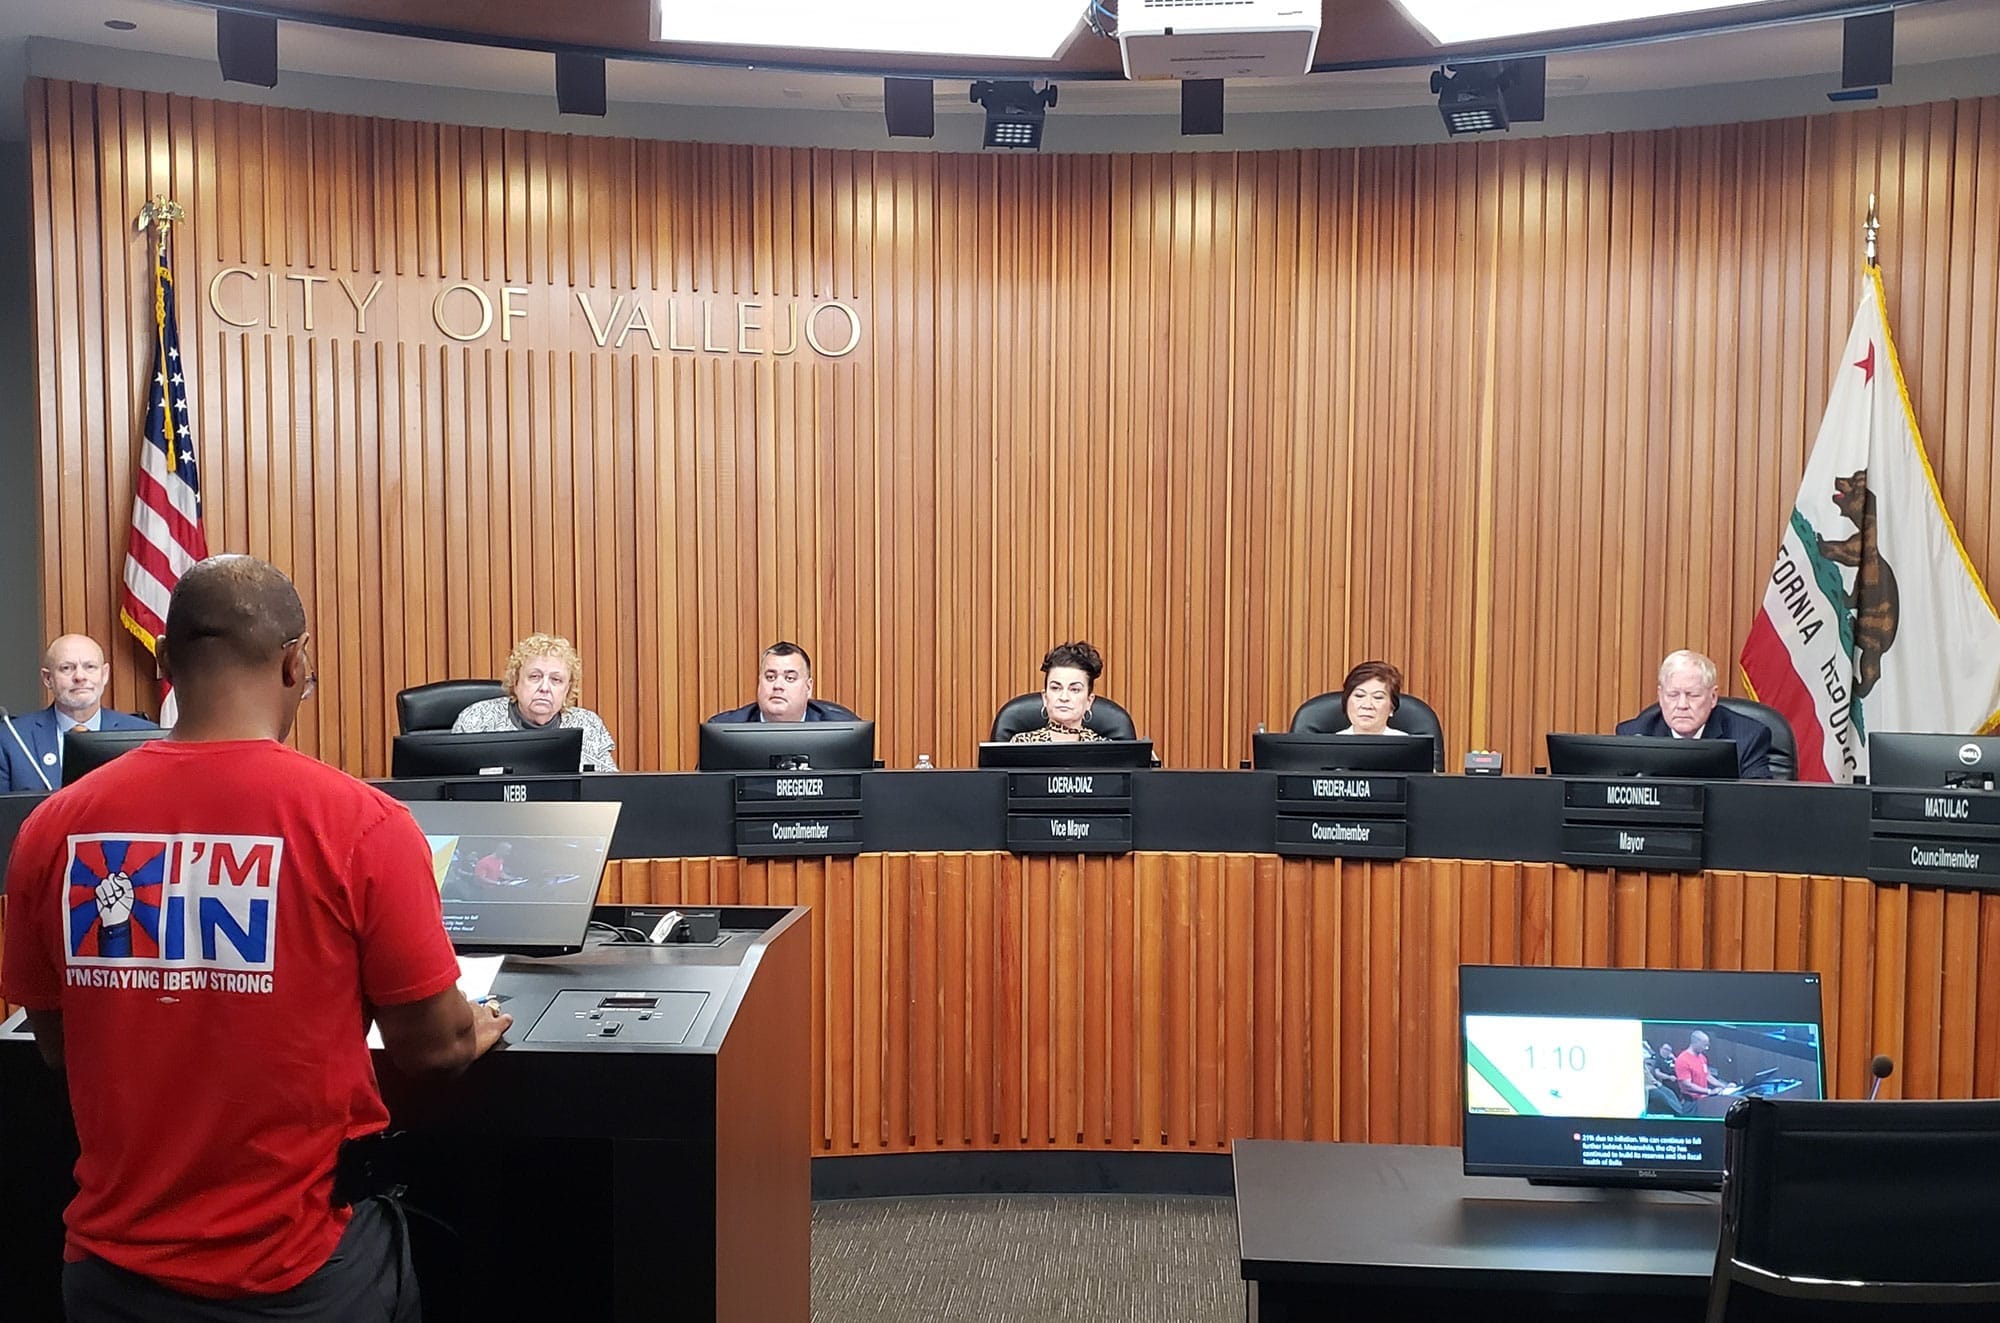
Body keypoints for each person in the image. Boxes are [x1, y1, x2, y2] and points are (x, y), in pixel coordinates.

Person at [0, 554, 511, 1321]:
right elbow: (433, 1048)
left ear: (166, 661)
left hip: (110, 1276)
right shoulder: (361, 824)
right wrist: (475, 1028)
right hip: (302, 1275)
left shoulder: (53, 829)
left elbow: (57, 1043)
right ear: (296, 661)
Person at [0, 634, 157, 794]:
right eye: (67, 668)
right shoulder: (11, 738)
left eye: (90, 667)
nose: (80, 677)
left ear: (104, 675)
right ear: (48, 679)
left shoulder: (146, 737)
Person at [451, 633, 617, 771]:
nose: (545, 688)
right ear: (515, 681)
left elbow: (611, 790)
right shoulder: (477, 719)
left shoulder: (589, 725)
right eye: (535, 677)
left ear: (568, 688)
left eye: (556, 679)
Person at [1615, 649, 1773, 780]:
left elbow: (1759, 801)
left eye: (1693, 695)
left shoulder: (1748, 738)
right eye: (1673, 695)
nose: (1682, 705)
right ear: (1661, 696)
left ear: (1713, 697)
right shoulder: (1635, 736)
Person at [708, 642, 860, 723]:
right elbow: (705, 782)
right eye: (770, 677)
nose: (778, 686)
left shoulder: (843, 727)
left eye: (790, 678)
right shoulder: (724, 728)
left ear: (808, 688)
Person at [1011, 641, 1110, 744]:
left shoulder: (1106, 749)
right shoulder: (1021, 744)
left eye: (1075, 689)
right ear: (1045, 697)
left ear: (1089, 701)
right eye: (1056, 688)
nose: (1064, 697)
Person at [1330, 661, 1420, 736]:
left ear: (1392, 707)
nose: (1367, 705)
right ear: (1346, 702)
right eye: (1359, 695)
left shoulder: (1409, 746)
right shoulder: (1329, 746)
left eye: (1378, 697)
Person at [1673, 1030, 1737, 1099]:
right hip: (1690, 1101)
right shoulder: (1683, 1059)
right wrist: (1709, 1091)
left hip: (1703, 1099)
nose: (1706, 1048)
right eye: (1704, 1045)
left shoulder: (1702, 1058)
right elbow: (1686, 1085)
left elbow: (1707, 1076)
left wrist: (1724, 1086)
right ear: (1696, 1042)